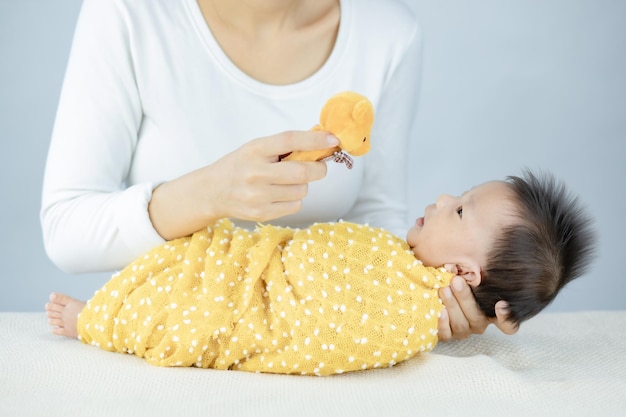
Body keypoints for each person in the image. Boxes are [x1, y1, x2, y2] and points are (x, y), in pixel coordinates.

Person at [40, 0, 512, 340]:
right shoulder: (130, 13)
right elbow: (65, 228)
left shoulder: (388, 32)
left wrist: (431, 301)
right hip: (174, 305)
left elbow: (377, 216)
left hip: (310, 329)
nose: (447, 200)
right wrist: (208, 194)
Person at [46, 170, 596, 376]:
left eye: (460, 210)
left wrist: (266, 281)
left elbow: (314, 333)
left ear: (462, 273)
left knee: (185, 316)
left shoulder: (403, 312)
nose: (446, 195)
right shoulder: (402, 263)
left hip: (252, 304)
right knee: (192, 259)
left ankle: (95, 322)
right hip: (253, 261)